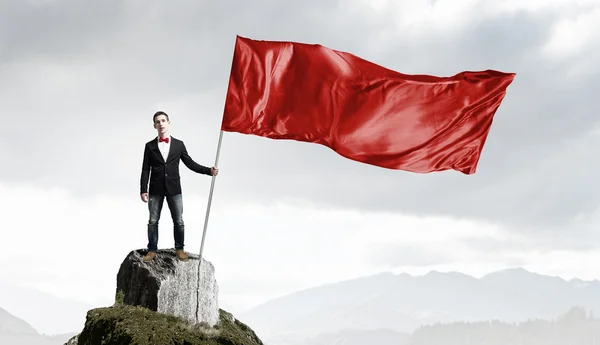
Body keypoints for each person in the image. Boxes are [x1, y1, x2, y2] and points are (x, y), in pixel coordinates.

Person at [139, 111, 218, 262]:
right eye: (157, 121)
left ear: (168, 122)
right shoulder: (149, 146)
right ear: (154, 125)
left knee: (179, 221)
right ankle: (152, 250)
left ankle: (180, 249)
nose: (161, 123)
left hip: (174, 189)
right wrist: (143, 189)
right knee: (153, 221)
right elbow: (145, 169)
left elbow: (190, 163)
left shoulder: (178, 145)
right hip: (155, 189)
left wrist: (209, 171)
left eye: (163, 120)